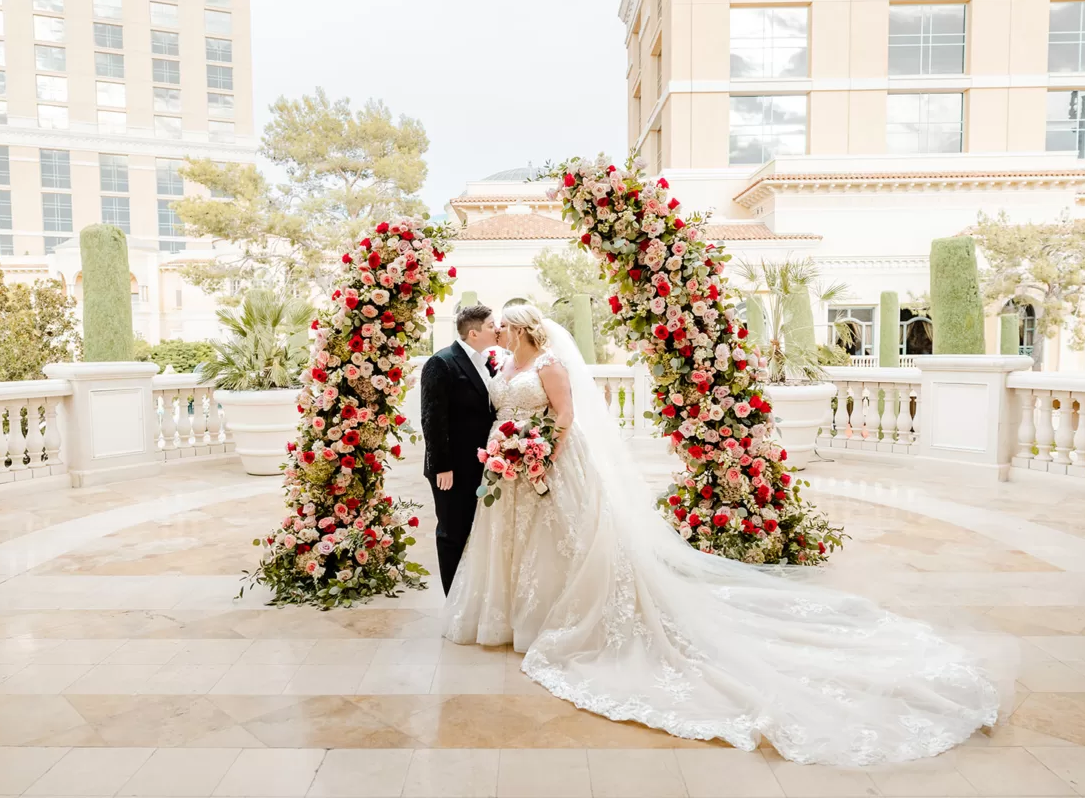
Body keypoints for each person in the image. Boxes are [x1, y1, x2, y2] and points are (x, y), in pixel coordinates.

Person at [441, 303, 1008, 767]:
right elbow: (501, 410)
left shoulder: (550, 367)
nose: (498, 333)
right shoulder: (503, 365)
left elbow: (564, 419)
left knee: (562, 545)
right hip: (508, 471)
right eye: (498, 329)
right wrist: (507, 452)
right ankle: (509, 614)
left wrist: (541, 456)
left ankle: (557, 616)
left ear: (522, 329)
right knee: (512, 545)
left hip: (550, 466)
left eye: (506, 327)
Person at [419, 304, 499, 594]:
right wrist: (442, 466)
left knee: (473, 530)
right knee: (452, 531)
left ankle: (471, 596)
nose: (497, 329)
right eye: (492, 325)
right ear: (474, 332)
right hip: (450, 467)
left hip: (480, 464)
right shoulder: (441, 363)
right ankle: (452, 596)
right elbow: (431, 419)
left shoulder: (489, 362)